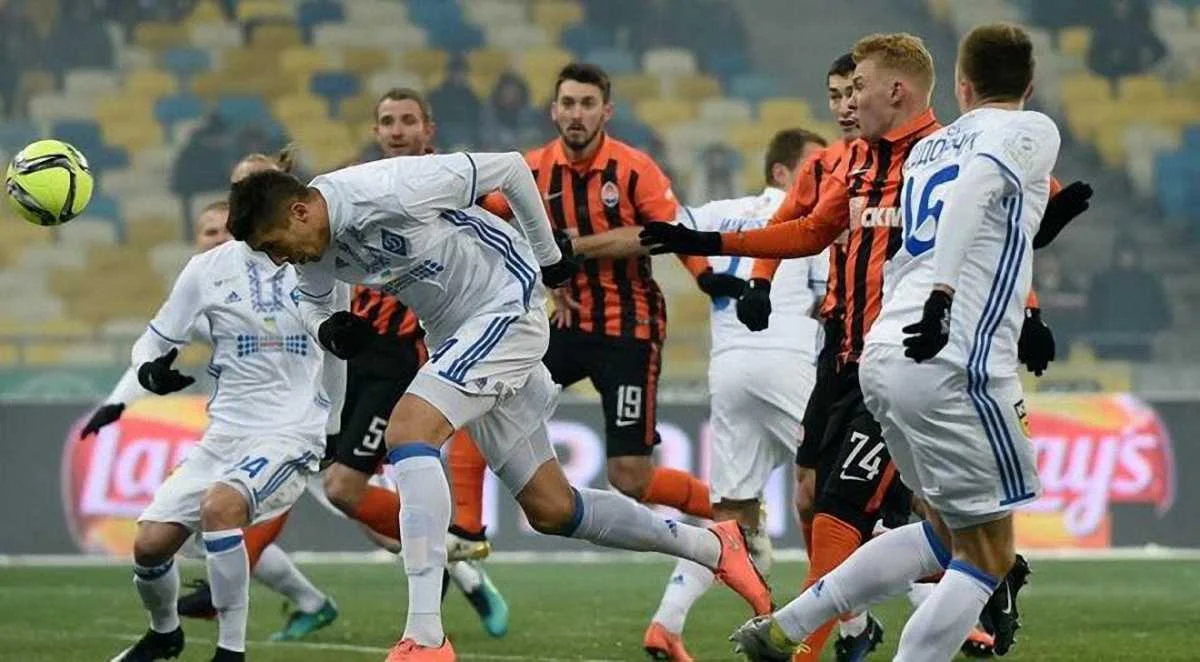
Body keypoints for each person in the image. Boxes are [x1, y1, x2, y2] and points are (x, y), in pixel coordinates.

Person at [641, 31, 1091, 660]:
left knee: (871, 518)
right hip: (894, 356)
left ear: (915, 89)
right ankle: (970, 585)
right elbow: (974, 228)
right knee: (972, 543)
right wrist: (721, 252)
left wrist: (1027, 303)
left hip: (888, 356)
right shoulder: (859, 162)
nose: (846, 103)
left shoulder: (928, 150)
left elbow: (983, 230)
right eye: (840, 91)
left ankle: (799, 631)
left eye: (856, 88)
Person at [226, 149, 772, 660]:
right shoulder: (312, 247)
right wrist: (328, 331)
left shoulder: (386, 188)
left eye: (274, 245)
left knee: (408, 429)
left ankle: (425, 636)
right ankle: (712, 546)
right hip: (454, 333)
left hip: (506, 304)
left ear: (300, 212)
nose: (278, 259)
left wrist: (548, 255)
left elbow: (510, 169)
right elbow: (315, 308)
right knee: (552, 508)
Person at [81, 192, 340, 646]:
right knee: (173, 537)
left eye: (225, 229)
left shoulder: (309, 267)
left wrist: (337, 422)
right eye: (209, 232)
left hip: (298, 428)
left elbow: (337, 350)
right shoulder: (207, 279)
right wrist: (131, 389)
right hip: (230, 431)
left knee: (233, 513)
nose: (219, 238)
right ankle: (298, 603)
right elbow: (159, 342)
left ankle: (232, 645)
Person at [481, 63, 720, 524]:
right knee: (488, 395)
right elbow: (485, 222)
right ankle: (468, 528)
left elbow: (664, 232)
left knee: (630, 475)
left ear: (606, 111)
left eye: (587, 104)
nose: (577, 114)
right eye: (568, 103)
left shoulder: (633, 168)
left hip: (628, 329)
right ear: (553, 111)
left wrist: (705, 277)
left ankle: (736, 513)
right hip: (565, 324)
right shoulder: (530, 170)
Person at [643, 128, 829, 661]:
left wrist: (704, 275)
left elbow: (665, 224)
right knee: (846, 493)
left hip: (728, 367)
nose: (823, 179)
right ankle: (873, 620)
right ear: (781, 172)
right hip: (789, 360)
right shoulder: (810, 222)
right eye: (813, 168)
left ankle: (666, 623)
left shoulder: (720, 213)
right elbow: (827, 302)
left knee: (731, 516)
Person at [1086, 237, 1171, 360]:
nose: (1126, 257)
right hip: (1107, 346)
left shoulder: (1149, 282)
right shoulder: (1101, 281)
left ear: (1137, 255)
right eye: (1123, 253)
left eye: (1129, 253)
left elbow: (1163, 313)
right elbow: (1092, 312)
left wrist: (1156, 331)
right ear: (1115, 255)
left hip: (1141, 346)